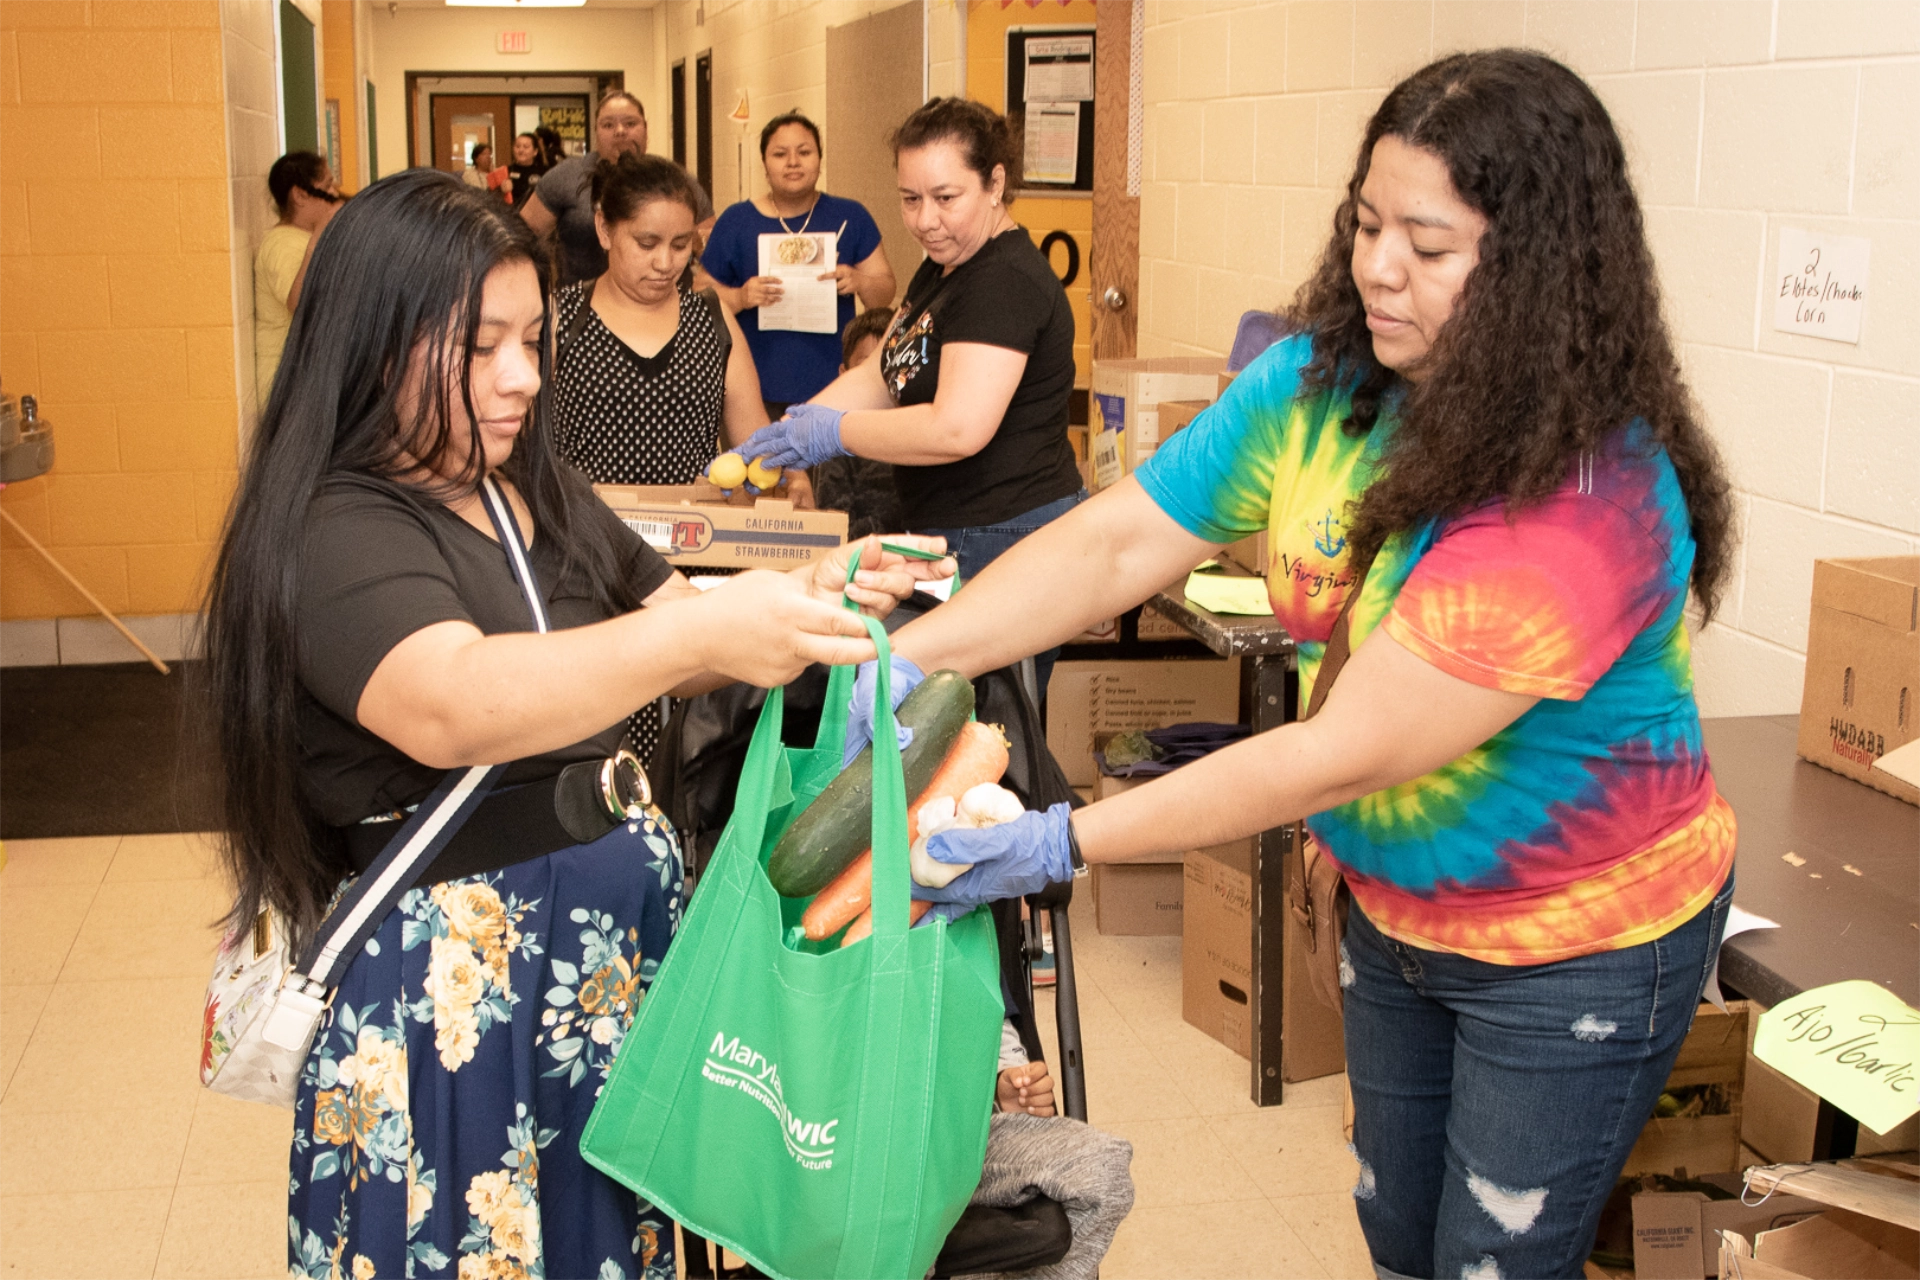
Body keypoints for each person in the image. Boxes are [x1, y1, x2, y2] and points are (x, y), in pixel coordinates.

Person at [861, 50, 1741, 1280]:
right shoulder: (1326, 386)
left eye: (1428, 247)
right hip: (1395, 906)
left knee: (1491, 1260)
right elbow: (1119, 540)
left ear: (1540, 268)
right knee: (1396, 1233)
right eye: (1367, 223)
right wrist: (903, 656)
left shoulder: (1587, 497)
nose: (1378, 265)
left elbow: (1338, 744)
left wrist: (1059, 839)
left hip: (1570, 947)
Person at [202, 169, 952, 1280]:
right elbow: (456, 702)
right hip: (455, 1010)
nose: (519, 378)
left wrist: (815, 595)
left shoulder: (527, 484)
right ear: (368, 341)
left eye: (529, 340)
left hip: (594, 985)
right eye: (479, 346)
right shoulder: (337, 523)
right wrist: (700, 641)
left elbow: (675, 616)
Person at [732, 98, 1085, 687]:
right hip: (950, 527)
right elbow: (883, 373)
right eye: (910, 199)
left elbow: (956, 428)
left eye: (946, 198)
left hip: (1006, 536)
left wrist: (832, 433)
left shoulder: (1003, 281)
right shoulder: (945, 265)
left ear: (995, 183)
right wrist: (799, 422)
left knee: (966, 725)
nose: (925, 220)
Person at [703, 112, 896, 416]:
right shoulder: (736, 221)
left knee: (830, 466)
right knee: (755, 464)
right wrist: (740, 297)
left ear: (820, 159)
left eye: (804, 152)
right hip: (752, 385)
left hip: (836, 384)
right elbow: (700, 291)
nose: (793, 162)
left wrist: (859, 281)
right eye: (780, 154)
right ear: (764, 164)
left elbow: (884, 291)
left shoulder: (850, 216)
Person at [522, 91, 714, 286]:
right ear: (596, 133)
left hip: (666, 303)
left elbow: (712, 249)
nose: (620, 131)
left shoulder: (673, 178)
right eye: (608, 125)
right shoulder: (566, 176)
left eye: (630, 123)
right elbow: (521, 239)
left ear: (646, 131)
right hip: (583, 306)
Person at [254, 151, 339, 409]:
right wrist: (319, 237)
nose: (335, 193)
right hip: (288, 388)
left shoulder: (298, 240)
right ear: (300, 195)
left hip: (306, 384)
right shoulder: (281, 244)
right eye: (327, 186)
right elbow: (300, 302)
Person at [810, 307, 901, 539]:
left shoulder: (924, 429)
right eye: (867, 368)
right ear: (845, 374)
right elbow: (835, 528)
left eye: (891, 366)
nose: (880, 380)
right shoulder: (837, 441)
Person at [507, 131, 546, 208]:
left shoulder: (544, 172)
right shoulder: (506, 170)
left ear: (535, 151)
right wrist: (501, 191)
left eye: (526, 147)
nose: (521, 150)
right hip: (510, 215)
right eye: (517, 146)